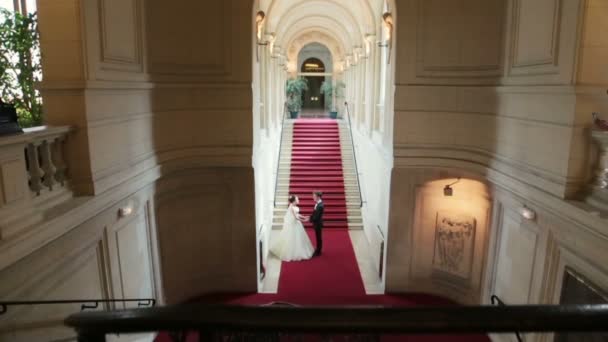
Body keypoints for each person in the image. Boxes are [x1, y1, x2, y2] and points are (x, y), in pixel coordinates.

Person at [270, 195, 314, 261]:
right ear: (294, 201)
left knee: (297, 238)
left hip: (296, 224)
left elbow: (297, 214)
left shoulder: (294, 206)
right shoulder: (291, 207)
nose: (298, 200)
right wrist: (303, 220)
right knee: (293, 238)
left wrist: (304, 217)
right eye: (297, 199)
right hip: (294, 224)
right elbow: (296, 217)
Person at [309, 191, 324, 256]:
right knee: (318, 236)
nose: (313, 197)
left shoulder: (320, 205)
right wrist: (309, 217)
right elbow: (314, 213)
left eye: (314, 196)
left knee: (319, 237)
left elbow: (316, 217)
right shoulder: (318, 203)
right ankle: (318, 249)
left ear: (318, 197)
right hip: (317, 223)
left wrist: (309, 219)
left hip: (318, 223)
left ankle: (318, 251)